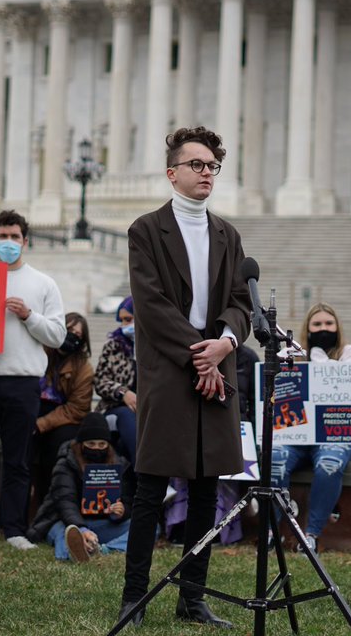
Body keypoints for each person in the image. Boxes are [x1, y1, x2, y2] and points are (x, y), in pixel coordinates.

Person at [118, 126, 250, 630]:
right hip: (171, 373)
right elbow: (150, 305)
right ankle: (135, 597)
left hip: (217, 367)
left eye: (213, 166)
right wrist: (203, 357)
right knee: (151, 488)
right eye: (197, 165)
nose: (206, 173)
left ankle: (192, 597)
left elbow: (240, 302)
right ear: (171, 172)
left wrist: (225, 344)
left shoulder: (228, 235)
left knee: (205, 489)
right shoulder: (146, 231)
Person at [0, 210, 66, 554]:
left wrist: (28, 315)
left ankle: (14, 528)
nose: (8, 243)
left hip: (22, 382)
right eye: (2, 237)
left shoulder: (43, 283)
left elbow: (58, 335)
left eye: (14, 237)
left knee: (18, 460)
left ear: (25, 241)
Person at [269, 302, 351, 554]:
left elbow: (345, 382)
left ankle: (311, 535)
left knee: (328, 466)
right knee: (274, 458)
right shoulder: (293, 355)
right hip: (296, 435)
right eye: (317, 325)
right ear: (308, 329)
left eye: (328, 324)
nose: (324, 328)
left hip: (335, 432)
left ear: (337, 327)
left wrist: (319, 358)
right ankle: (272, 530)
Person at [27, 413, 134, 562]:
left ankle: (103, 550)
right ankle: (71, 553)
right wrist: (80, 528)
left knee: (148, 527)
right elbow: (65, 502)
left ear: (108, 445)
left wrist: (121, 511)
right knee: (64, 533)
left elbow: (128, 500)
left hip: (101, 523)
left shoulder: (119, 464)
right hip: (63, 521)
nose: (96, 449)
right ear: (81, 444)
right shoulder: (66, 462)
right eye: (91, 444)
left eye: (102, 444)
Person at [33, 312, 94, 506]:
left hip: (63, 418)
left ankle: (48, 505)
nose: (72, 336)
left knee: (57, 449)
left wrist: (41, 424)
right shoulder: (40, 350)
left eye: (78, 334)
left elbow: (77, 409)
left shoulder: (83, 367)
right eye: (69, 330)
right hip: (33, 410)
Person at [95, 297, 138, 462]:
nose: (124, 325)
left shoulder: (154, 346)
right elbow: (100, 381)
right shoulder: (113, 345)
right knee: (127, 417)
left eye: (128, 319)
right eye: (122, 320)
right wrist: (123, 392)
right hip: (116, 406)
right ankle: (143, 474)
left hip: (149, 408)